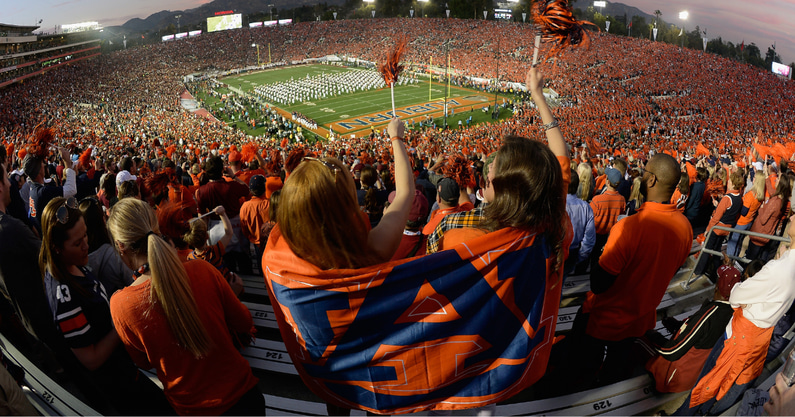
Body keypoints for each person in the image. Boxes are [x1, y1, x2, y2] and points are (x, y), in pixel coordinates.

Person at [107, 198, 263, 415]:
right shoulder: (202, 269)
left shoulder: (120, 305)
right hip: (245, 399)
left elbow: (144, 362)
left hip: (193, 410)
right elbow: (244, 322)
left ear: (120, 245)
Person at [39, 197, 172, 415]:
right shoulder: (63, 296)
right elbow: (91, 359)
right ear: (57, 249)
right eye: (77, 243)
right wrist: (121, 324)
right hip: (116, 384)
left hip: (125, 369)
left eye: (85, 235)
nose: (86, 245)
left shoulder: (73, 265)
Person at [570, 153, 693, 387]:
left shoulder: (629, 227)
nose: (639, 176)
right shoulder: (685, 227)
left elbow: (598, 283)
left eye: (644, 172)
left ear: (653, 180)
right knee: (615, 372)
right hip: (639, 319)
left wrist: (603, 251)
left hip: (604, 319)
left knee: (581, 370)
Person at [675, 216, 795, 415]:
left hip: (739, 337)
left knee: (708, 384)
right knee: (730, 387)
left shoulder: (778, 270)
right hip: (759, 339)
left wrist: (742, 289)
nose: (791, 217)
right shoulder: (785, 265)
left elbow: (736, 294)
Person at [693, 170, 744, 282]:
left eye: (730, 180)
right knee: (717, 251)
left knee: (707, 249)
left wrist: (707, 229)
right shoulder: (739, 197)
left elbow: (716, 217)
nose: (728, 182)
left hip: (717, 228)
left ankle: (698, 270)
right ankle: (715, 273)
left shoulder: (727, 198)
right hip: (726, 228)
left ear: (733, 183)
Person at [564, 170, 596, 278]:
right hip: (572, 253)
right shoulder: (585, 207)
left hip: (558, 253)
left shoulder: (556, 205)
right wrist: (580, 256)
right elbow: (589, 238)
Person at [726, 170, 765, 256]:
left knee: (733, 244)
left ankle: (729, 263)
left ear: (757, 180)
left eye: (754, 177)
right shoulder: (761, 194)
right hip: (749, 222)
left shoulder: (750, 195)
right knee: (738, 244)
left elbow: (743, 212)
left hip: (741, 222)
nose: (753, 178)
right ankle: (734, 259)